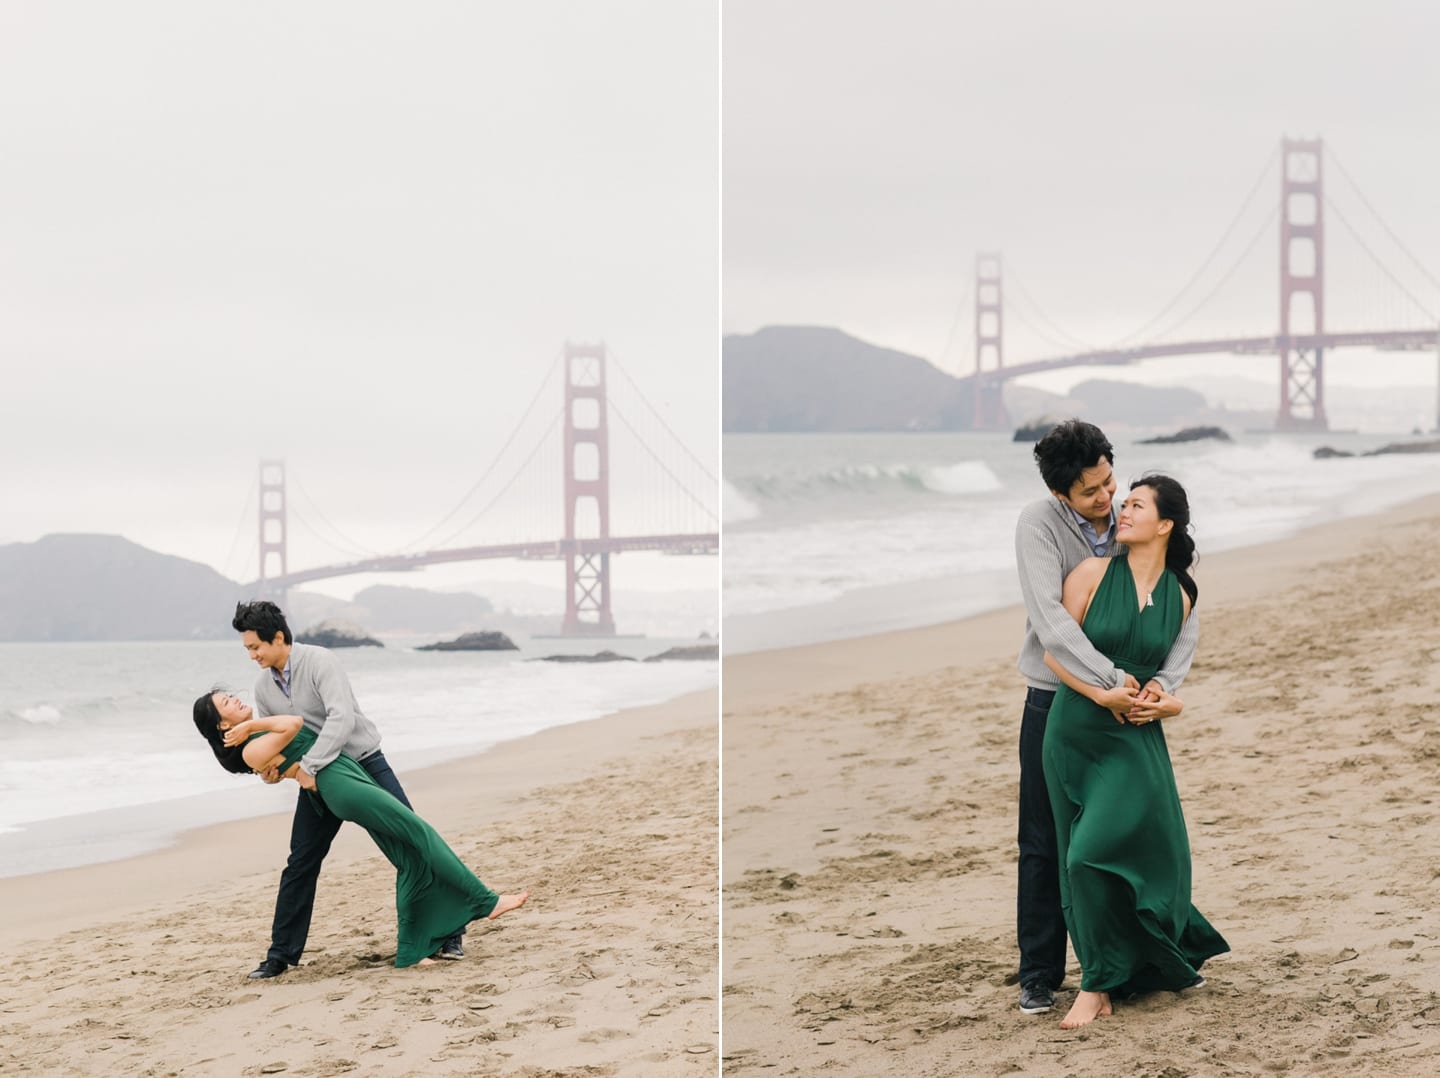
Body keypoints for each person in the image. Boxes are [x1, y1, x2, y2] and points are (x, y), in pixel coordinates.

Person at [1012, 420, 1199, 1016]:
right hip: (1057, 700)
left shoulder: (1128, 518)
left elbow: (1171, 599)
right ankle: (1040, 973)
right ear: (1060, 492)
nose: (1106, 498)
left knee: (1129, 837)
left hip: (1129, 711)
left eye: (1110, 482)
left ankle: (1130, 958)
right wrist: (1109, 685)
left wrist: (1163, 689)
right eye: (1091, 491)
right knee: (1046, 839)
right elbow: (1051, 622)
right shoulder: (1038, 526)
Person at [1041, 474, 1228, 1028]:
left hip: (1137, 736)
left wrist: (1170, 702)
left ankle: (1119, 972)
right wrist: (1101, 691)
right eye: (1124, 504)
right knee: (1079, 857)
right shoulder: (1092, 573)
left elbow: (1173, 672)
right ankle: (1098, 983)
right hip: (1077, 728)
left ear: (1165, 524)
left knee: (1136, 854)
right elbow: (1053, 650)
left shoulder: (1184, 593)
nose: (1122, 512)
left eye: (1136, 506)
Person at [193, 690, 529, 967]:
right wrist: (252, 728)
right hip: (337, 784)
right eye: (227, 703)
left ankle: (412, 951)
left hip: (345, 771)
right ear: (223, 725)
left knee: (407, 856)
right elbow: (293, 724)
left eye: (231, 695)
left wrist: (253, 726)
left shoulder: (257, 734)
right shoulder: (252, 748)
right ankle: (486, 901)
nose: (236, 699)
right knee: (418, 833)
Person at [229, 599, 466, 979]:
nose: (252, 655)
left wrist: (308, 766)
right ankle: (280, 956)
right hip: (319, 781)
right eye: (247, 649)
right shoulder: (263, 687)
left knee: (412, 842)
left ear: (278, 638)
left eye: (256, 647)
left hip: (364, 763)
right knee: (301, 862)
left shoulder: (320, 662)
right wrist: (270, 774)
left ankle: (450, 932)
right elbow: (279, 737)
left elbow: (341, 719)